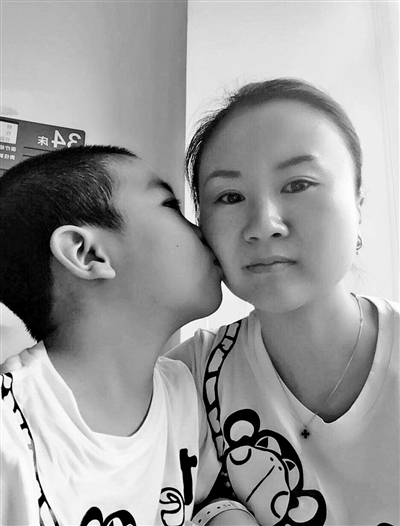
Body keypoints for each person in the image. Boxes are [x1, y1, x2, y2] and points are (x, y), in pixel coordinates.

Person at [169, 79, 399, 526]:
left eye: (298, 184)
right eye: (230, 197)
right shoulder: (190, 377)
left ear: (358, 206)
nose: (264, 224)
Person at [0, 145, 250, 526]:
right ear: (87, 254)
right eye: (170, 206)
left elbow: (209, 499)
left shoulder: (183, 393)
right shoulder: (10, 435)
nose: (204, 231)